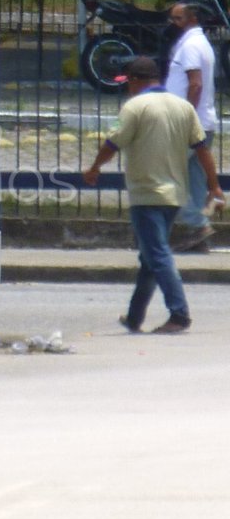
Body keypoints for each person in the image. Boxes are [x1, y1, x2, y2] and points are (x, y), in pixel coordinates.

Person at [81, 55, 225, 334]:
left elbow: (112, 143)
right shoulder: (183, 107)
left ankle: (179, 314)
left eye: (128, 83)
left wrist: (94, 168)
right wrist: (214, 185)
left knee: (157, 255)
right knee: (149, 258)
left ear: (135, 81)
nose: (127, 88)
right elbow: (202, 149)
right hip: (174, 195)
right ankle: (135, 316)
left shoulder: (136, 107)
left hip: (146, 193)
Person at [165, 1, 218, 250]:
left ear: (192, 19)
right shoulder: (200, 44)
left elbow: (194, 84)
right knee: (195, 177)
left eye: (178, 19)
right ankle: (198, 229)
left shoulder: (190, 47)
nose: (172, 24)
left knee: (166, 170)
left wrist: (185, 115)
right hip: (202, 122)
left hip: (188, 124)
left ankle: (162, 227)